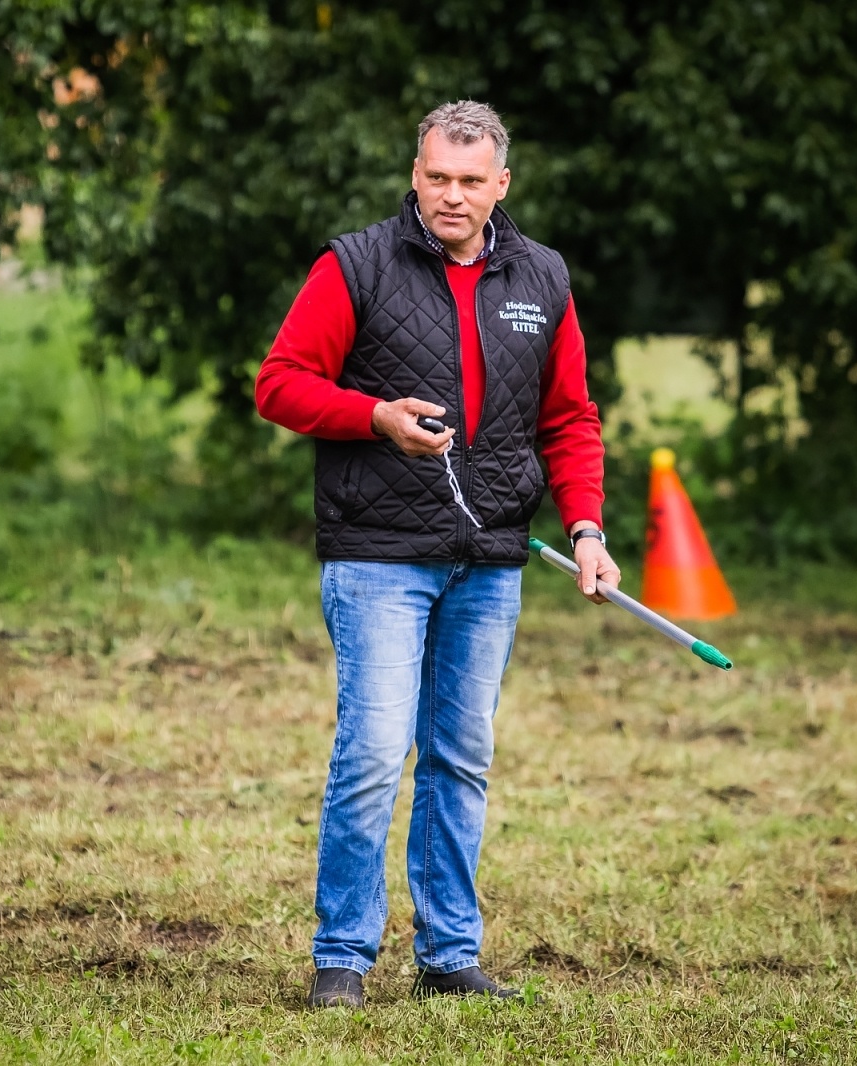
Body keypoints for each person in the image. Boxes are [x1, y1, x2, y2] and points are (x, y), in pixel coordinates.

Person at [254, 100, 619, 1008]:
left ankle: (449, 956)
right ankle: (342, 955)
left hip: (490, 562)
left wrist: (588, 530)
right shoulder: (356, 264)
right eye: (436, 178)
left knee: (460, 757)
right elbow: (280, 385)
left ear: (502, 184)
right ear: (414, 176)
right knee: (375, 752)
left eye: (470, 181)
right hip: (378, 554)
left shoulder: (543, 277)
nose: (451, 197)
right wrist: (373, 417)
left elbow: (570, 418)